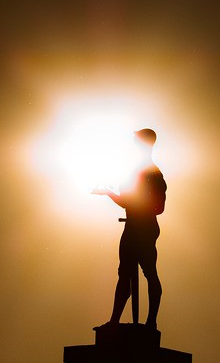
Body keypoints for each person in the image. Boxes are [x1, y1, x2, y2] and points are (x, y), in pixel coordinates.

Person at [92, 128, 167, 330]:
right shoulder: (136, 171)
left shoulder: (153, 173)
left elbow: (158, 207)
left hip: (144, 228)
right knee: (125, 273)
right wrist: (109, 193)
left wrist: (126, 201)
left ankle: (151, 322)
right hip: (132, 226)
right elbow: (128, 202)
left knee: (149, 273)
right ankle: (114, 321)